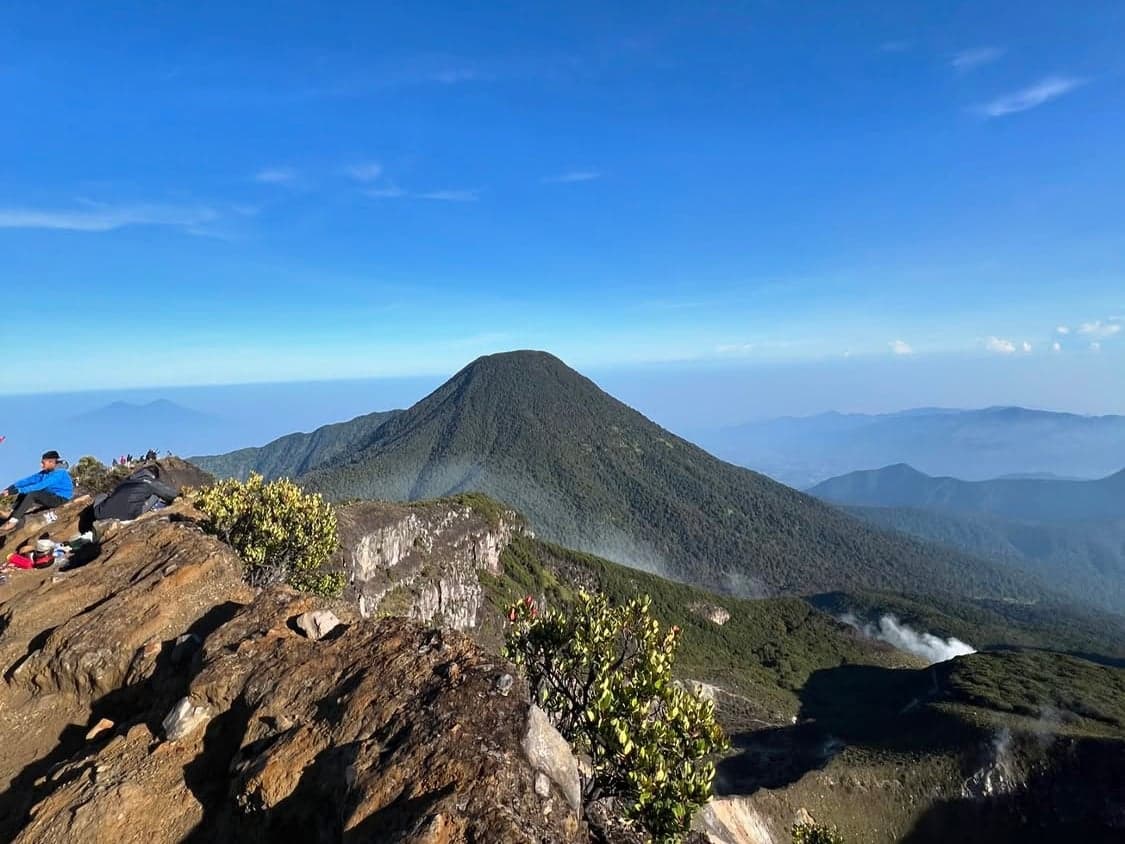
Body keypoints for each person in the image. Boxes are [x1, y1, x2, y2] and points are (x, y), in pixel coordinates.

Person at [1, 450, 74, 533]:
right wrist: (11, 488)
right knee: (24, 493)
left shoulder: (60, 473)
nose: (41, 465)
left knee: (32, 494)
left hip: (60, 499)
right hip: (50, 495)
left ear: (51, 462)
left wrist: (16, 491)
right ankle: (13, 513)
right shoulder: (45, 473)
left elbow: (40, 486)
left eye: (43, 463)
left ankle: (13, 521)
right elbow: (28, 480)